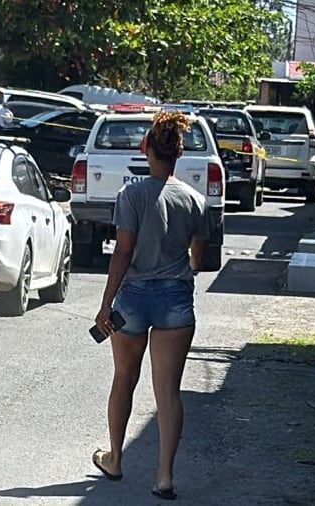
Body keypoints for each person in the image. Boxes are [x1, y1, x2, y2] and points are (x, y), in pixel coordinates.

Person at [91, 111, 211, 501]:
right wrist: (181, 269)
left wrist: (105, 304)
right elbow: (199, 253)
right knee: (168, 393)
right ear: (179, 153)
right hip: (176, 300)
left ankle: (114, 460)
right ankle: (165, 476)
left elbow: (122, 252)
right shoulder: (195, 199)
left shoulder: (131, 195)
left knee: (124, 379)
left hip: (133, 300)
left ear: (146, 150)